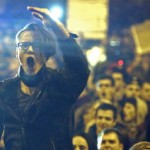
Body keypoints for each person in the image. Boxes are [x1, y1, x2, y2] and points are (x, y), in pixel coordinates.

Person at [0, 6, 89, 150]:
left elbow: (80, 70)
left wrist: (59, 31)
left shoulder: (59, 83)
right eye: (24, 45)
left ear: (47, 52)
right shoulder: (4, 90)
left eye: (36, 45)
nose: (30, 50)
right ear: (17, 52)